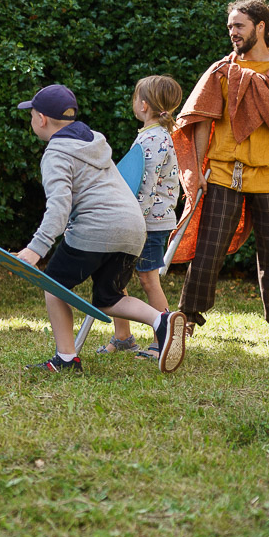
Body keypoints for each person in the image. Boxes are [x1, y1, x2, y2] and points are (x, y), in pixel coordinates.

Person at [173, 0, 269, 347]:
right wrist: (196, 173)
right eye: (229, 27)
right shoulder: (221, 72)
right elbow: (199, 122)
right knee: (209, 249)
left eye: (239, 26)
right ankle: (189, 319)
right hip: (226, 173)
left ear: (261, 27)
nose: (232, 33)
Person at [14, 84, 186, 374]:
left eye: (31, 114)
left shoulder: (56, 153)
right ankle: (162, 321)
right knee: (109, 297)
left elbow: (58, 208)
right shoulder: (94, 141)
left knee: (54, 287)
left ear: (41, 119)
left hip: (95, 228)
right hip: (133, 228)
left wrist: (35, 249)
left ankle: (66, 359)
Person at [98, 75, 184, 358]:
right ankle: (123, 337)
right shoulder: (151, 135)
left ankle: (166, 339)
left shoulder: (154, 138)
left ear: (144, 105)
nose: (134, 102)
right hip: (140, 219)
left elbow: (144, 186)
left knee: (148, 279)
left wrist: (130, 218)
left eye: (136, 98)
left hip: (149, 222)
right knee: (114, 278)